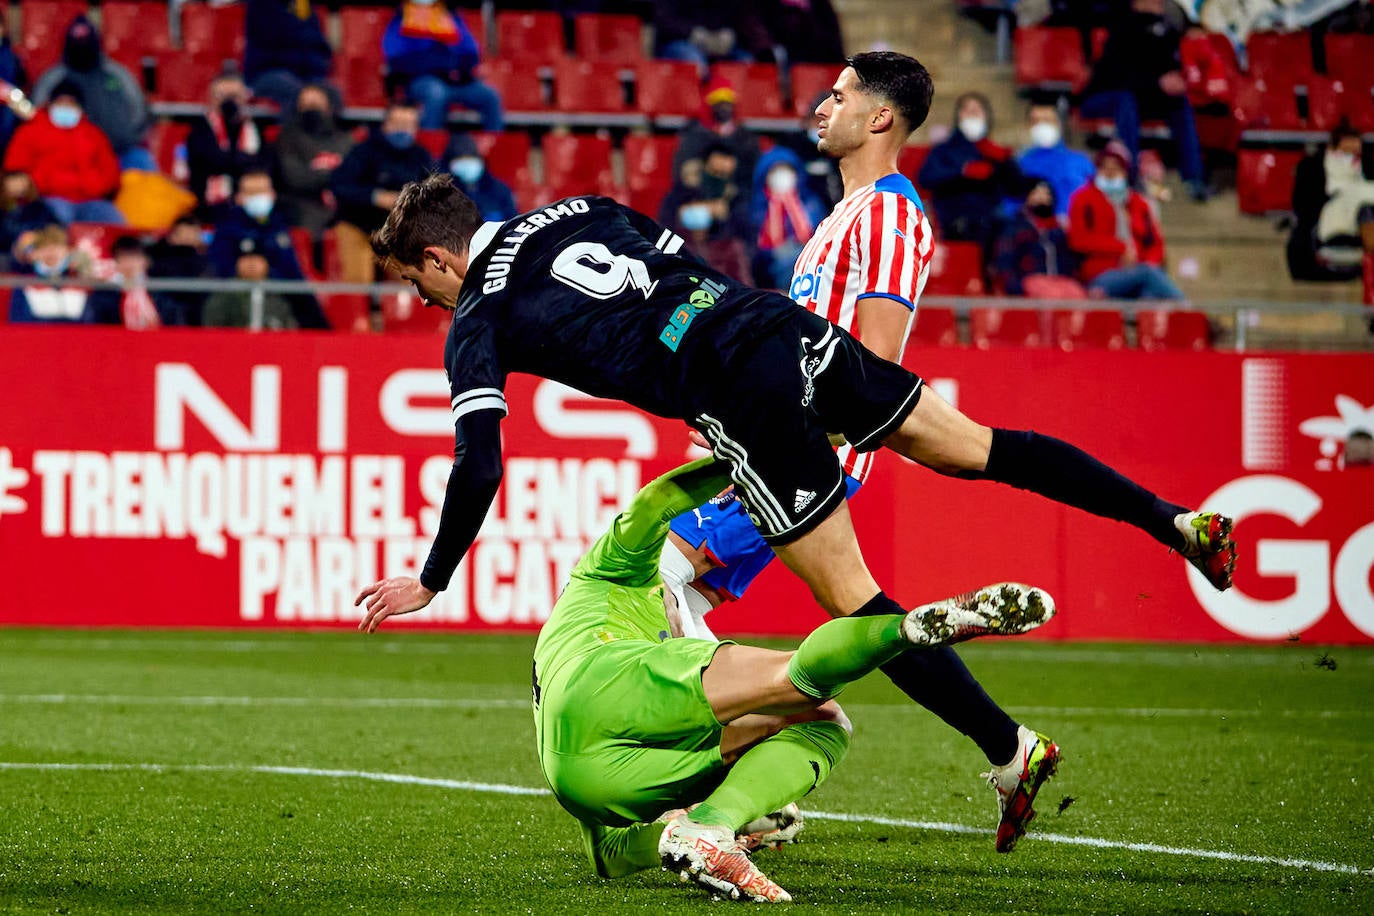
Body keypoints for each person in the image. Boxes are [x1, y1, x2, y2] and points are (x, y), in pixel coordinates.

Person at [353, 164, 1237, 763]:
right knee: (984, 449)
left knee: (855, 600)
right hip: (779, 325)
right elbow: (678, 266)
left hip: (736, 390)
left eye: (412, 281)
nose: (420, 300)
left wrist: (431, 580)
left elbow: (479, 465)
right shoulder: (577, 209)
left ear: (440, 255)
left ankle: (1008, 754)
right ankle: (1177, 522)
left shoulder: (477, 317)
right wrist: (714, 335)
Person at [663, 53, 1060, 855]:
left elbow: (870, 368)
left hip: (806, 452)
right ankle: (1006, 748)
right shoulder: (844, 214)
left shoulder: (887, 213)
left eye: (840, 95)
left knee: (664, 572)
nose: (822, 105)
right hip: (781, 442)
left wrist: (781, 426)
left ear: (880, 117)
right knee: (860, 615)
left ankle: (738, 774)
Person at [359, 453, 1058, 902]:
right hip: (614, 681)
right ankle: (900, 631)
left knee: (811, 719)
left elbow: (609, 857)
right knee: (803, 692)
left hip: (578, 775)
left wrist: (656, 836)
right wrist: (735, 453)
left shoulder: (599, 603)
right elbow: (657, 503)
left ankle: (703, 829)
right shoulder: (621, 566)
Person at [1078, 0, 1208, 202]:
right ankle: (1130, 176)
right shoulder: (1121, 28)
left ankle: (1195, 179)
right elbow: (1115, 76)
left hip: (1145, 96)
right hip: (1102, 98)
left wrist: (1175, 81)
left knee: (1180, 103)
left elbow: (1169, 68)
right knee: (1126, 101)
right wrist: (1157, 83)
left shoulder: (1166, 32)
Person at [330, 100, 434, 285]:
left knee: (413, 279)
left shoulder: (421, 156)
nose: (403, 130)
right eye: (397, 124)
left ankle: (400, 314)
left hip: (399, 233)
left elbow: (435, 195)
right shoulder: (363, 151)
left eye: (408, 125)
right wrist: (375, 197)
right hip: (357, 226)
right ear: (386, 125)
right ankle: (358, 314)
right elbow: (340, 187)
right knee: (357, 280)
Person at [30, 15, 153, 172]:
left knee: (145, 172)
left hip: (122, 153)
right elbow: (36, 118)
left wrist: (126, 138)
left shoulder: (117, 75)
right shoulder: (53, 79)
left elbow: (139, 112)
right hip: (68, 158)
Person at [207, 169, 328, 329]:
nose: (258, 197)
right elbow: (215, 266)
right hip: (234, 293)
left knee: (304, 302)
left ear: (272, 194)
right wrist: (238, 269)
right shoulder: (227, 228)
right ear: (239, 197)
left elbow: (292, 273)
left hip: (276, 293)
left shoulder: (280, 227)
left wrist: (268, 271)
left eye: (262, 191)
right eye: (251, 192)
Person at [1068, 141, 1184, 300]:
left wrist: (1148, 262)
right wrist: (1121, 247)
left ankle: (1184, 319)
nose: (1110, 173)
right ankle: (1191, 313)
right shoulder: (1083, 199)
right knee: (1148, 275)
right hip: (1102, 274)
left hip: (1139, 269)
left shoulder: (1139, 203)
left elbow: (1155, 243)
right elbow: (1078, 239)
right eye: (1105, 168)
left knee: (1149, 295)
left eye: (1115, 169)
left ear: (1125, 172)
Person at [2, 82, 123, 225]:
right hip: (48, 198)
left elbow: (110, 175)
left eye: (71, 104)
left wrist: (93, 186)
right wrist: (39, 184)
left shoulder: (94, 135)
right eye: (61, 102)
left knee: (111, 217)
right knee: (53, 217)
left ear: (80, 108)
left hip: (90, 200)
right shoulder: (30, 131)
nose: (65, 107)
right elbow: (15, 171)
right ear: (50, 104)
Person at [918, 92, 1024, 247]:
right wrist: (961, 171)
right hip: (955, 224)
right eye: (967, 110)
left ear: (987, 116)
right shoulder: (944, 150)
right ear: (958, 116)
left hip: (992, 227)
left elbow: (1018, 189)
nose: (972, 114)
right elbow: (925, 178)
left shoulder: (994, 152)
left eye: (977, 110)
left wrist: (1007, 163)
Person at [382, 0, 505, 132]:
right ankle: (430, 146)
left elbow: (471, 52)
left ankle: (495, 146)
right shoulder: (403, 18)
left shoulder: (451, 17)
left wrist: (458, 69)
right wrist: (432, 65)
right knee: (436, 94)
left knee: (490, 96)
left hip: (455, 82)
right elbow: (394, 56)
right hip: (421, 80)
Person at [1288, 124, 1374, 304]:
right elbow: (1303, 206)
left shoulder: (1368, 169)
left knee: (1366, 209)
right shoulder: (1312, 167)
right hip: (1326, 225)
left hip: (1361, 224)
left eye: (1355, 153)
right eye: (1346, 152)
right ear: (1333, 148)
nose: (1352, 159)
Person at [659, 142, 753, 283]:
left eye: (723, 174)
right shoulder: (681, 194)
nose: (718, 178)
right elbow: (664, 226)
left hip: (721, 265)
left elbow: (746, 238)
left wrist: (722, 217)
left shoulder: (736, 199)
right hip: (684, 258)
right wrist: (685, 215)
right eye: (714, 172)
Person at [274, 83, 353, 235]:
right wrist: (333, 175)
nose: (311, 111)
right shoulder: (287, 137)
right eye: (306, 106)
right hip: (301, 203)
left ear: (330, 107)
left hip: (343, 203)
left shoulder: (345, 139)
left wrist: (321, 174)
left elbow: (353, 176)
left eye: (316, 105)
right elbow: (294, 177)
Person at [186, 72, 266, 222]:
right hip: (210, 207)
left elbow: (260, 164)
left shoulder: (254, 129)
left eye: (235, 96)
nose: (229, 102)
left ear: (244, 99)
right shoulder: (200, 129)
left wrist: (228, 159)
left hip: (249, 201)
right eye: (223, 96)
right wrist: (243, 160)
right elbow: (211, 161)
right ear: (211, 99)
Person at [748, 146, 827, 290]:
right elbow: (750, 243)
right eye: (775, 171)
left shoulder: (811, 202)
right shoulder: (755, 204)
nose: (782, 175)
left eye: (787, 170)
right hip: (766, 272)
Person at [243, 0, 335, 112]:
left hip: (305, 74)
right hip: (267, 72)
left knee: (331, 95)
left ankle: (326, 129)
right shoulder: (262, 4)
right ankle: (292, 130)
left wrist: (316, 77)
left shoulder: (303, 3)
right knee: (298, 96)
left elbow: (317, 45)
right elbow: (273, 41)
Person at [994, 180, 1082, 296]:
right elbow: (1004, 261)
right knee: (1052, 294)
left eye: (1046, 194)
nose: (1042, 198)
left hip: (1059, 280)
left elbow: (1069, 261)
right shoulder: (1016, 227)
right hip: (1030, 280)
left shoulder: (1059, 230)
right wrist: (1016, 286)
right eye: (1037, 193)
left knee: (1077, 295)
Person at [672, 78, 761, 190]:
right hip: (701, 195)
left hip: (737, 195)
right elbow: (684, 172)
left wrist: (733, 167)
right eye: (719, 102)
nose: (724, 107)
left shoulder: (746, 138)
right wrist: (707, 166)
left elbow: (753, 174)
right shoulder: (694, 135)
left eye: (727, 102)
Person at [1016, 103, 1094, 218]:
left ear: (1059, 123)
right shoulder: (1019, 163)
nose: (1042, 126)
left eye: (1047, 120)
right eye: (1035, 121)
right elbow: (1009, 205)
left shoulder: (1081, 162)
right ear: (1028, 126)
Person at [8, 224, 95, 322]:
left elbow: (89, 321)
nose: (51, 252)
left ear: (67, 250)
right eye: (45, 247)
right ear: (34, 253)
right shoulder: (25, 283)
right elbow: (18, 322)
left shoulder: (78, 282)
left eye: (57, 247)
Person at [203, 245, 298, 329]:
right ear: (237, 264)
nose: (251, 263)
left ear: (266, 264)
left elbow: (289, 330)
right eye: (246, 258)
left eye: (256, 258)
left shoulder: (278, 297)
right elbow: (212, 330)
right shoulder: (223, 297)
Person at [84, 235, 160, 329]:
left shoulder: (159, 288)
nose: (130, 263)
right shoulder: (103, 293)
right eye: (124, 257)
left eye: (134, 257)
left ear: (145, 261)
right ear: (115, 261)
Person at [147, 215, 210, 326]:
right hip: (164, 309)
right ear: (172, 236)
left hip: (195, 311)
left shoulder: (205, 262)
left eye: (193, 233)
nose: (188, 238)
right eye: (183, 233)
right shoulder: (156, 257)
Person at [445, 132, 516, 223]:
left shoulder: (500, 190)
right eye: (461, 159)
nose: (467, 163)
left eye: (470, 158)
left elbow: (512, 222)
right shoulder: (445, 194)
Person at [0, 170, 58, 270]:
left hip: (38, 249)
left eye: (21, 180)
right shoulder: (3, 209)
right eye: (13, 180)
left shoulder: (39, 206)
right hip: (10, 252)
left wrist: (35, 237)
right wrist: (19, 242)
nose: (17, 185)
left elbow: (55, 227)